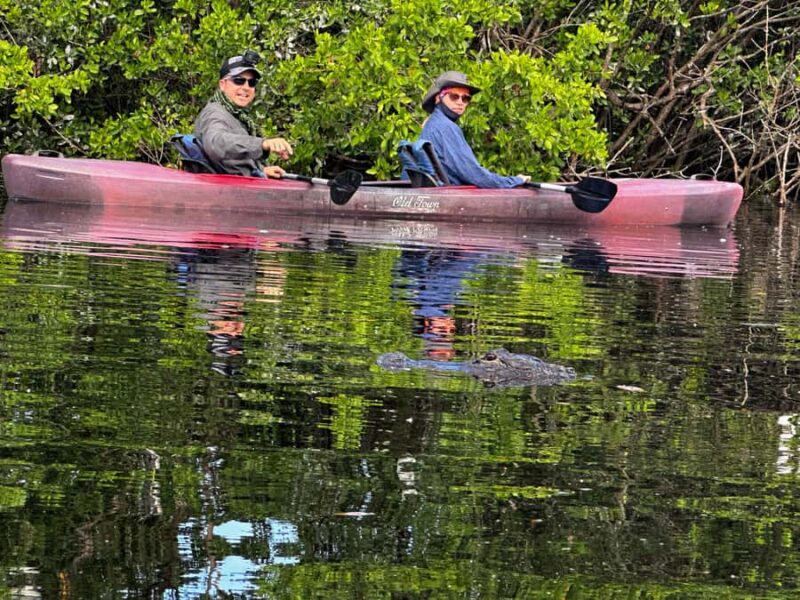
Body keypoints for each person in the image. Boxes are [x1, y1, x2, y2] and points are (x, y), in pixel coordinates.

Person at [419, 71, 530, 188]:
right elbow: (473, 174)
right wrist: (514, 181)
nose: (460, 102)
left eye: (466, 98)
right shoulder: (445, 127)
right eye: (454, 96)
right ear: (438, 98)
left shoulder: (433, 123)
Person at [194, 50, 293, 178]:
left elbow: (231, 163)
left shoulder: (237, 115)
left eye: (252, 83)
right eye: (239, 80)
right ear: (222, 85)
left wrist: (261, 170)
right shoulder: (214, 113)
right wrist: (262, 144)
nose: (246, 87)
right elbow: (216, 143)